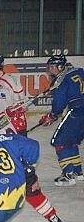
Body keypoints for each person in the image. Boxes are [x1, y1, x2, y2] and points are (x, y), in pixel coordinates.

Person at [0, 95, 65, 222]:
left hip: (6, 166)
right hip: (21, 160)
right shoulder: (1, 115)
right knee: (32, 192)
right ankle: (53, 217)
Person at [38, 54, 84, 186]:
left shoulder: (61, 80)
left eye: (52, 67)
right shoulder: (79, 71)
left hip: (77, 111)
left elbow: (59, 103)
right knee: (72, 140)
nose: (50, 70)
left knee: (59, 141)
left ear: (60, 66)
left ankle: (68, 174)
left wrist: (52, 116)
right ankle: (77, 171)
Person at [0, 53, 28, 135]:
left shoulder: (11, 81)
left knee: (18, 146)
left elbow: (22, 103)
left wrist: (17, 109)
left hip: (14, 121)